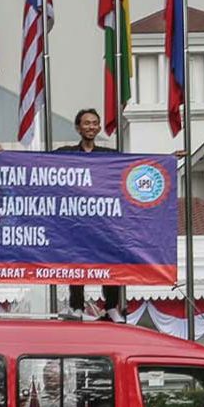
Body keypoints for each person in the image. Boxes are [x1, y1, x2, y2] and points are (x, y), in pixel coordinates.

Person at [55, 108, 123, 322]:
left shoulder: (109, 156)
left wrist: (166, 159)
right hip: (76, 221)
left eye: (95, 123)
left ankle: (112, 306)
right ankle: (77, 306)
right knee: (77, 262)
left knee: (110, 261)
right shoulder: (66, 154)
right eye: (87, 123)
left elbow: (138, 163)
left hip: (103, 221)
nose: (91, 127)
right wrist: (4, 155)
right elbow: (37, 161)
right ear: (78, 127)